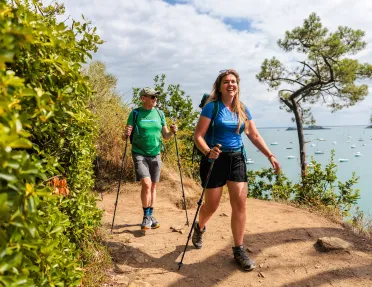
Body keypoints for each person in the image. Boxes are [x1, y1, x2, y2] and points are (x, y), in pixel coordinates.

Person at [193, 69, 280, 271]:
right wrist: (208, 151)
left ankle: (239, 249)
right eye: (226, 82)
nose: (230, 84)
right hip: (215, 159)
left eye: (234, 82)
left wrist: (270, 155)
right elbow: (198, 136)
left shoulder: (242, 109)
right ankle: (200, 227)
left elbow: (254, 135)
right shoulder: (211, 108)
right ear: (220, 86)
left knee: (240, 204)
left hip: (236, 159)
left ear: (237, 86)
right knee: (211, 206)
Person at [124, 87, 177, 230]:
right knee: (146, 184)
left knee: (153, 186)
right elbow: (125, 136)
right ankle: (146, 215)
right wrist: (126, 133)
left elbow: (165, 136)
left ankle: (151, 215)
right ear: (143, 98)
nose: (155, 99)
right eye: (152, 97)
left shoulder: (159, 113)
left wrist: (171, 132)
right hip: (139, 153)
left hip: (156, 153)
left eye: (156, 97)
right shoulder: (135, 113)